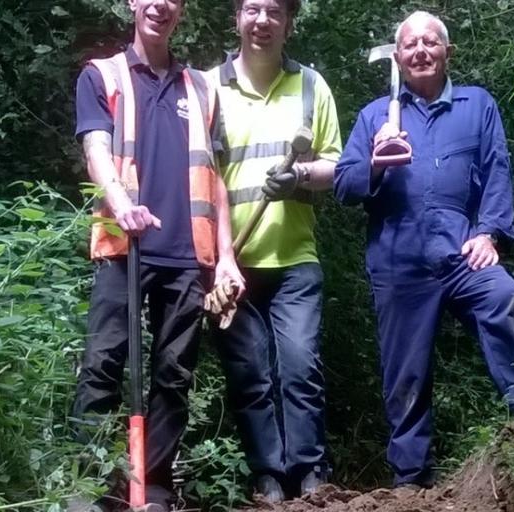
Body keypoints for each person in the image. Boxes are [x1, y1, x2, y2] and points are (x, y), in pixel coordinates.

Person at [334, 11, 514, 489]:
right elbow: (345, 185)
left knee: (503, 297)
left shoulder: (477, 105)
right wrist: (375, 162)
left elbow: (496, 170)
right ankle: (410, 481)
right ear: (398, 57)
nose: (420, 51)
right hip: (399, 262)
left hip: (462, 254)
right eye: (410, 45)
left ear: (447, 51)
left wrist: (489, 232)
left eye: (430, 42)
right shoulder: (376, 116)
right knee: (404, 373)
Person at [70, 0, 243, 509]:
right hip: (124, 248)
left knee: (174, 376)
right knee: (103, 365)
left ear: (181, 9)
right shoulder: (102, 75)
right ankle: (93, 490)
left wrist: (227, 256)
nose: (160, 4)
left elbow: (216, 181)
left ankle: (155, 486)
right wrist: (122, 205)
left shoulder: (201, 88)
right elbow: (96, 150)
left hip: (187, 255)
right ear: (131, 2)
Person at [204, 0, 342, 502]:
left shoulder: (312, 86)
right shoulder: (206, 87)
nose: (262, 20)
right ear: (237, 18)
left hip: (295, 259)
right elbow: (199, 175)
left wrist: (301, 175)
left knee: (300, 368)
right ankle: (267, 477)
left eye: (274, 11)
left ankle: (310, 476)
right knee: (250, 374)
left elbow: (336, 168)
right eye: (252, 8)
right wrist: (218, 260)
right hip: (228, 263)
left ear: (289, 22)